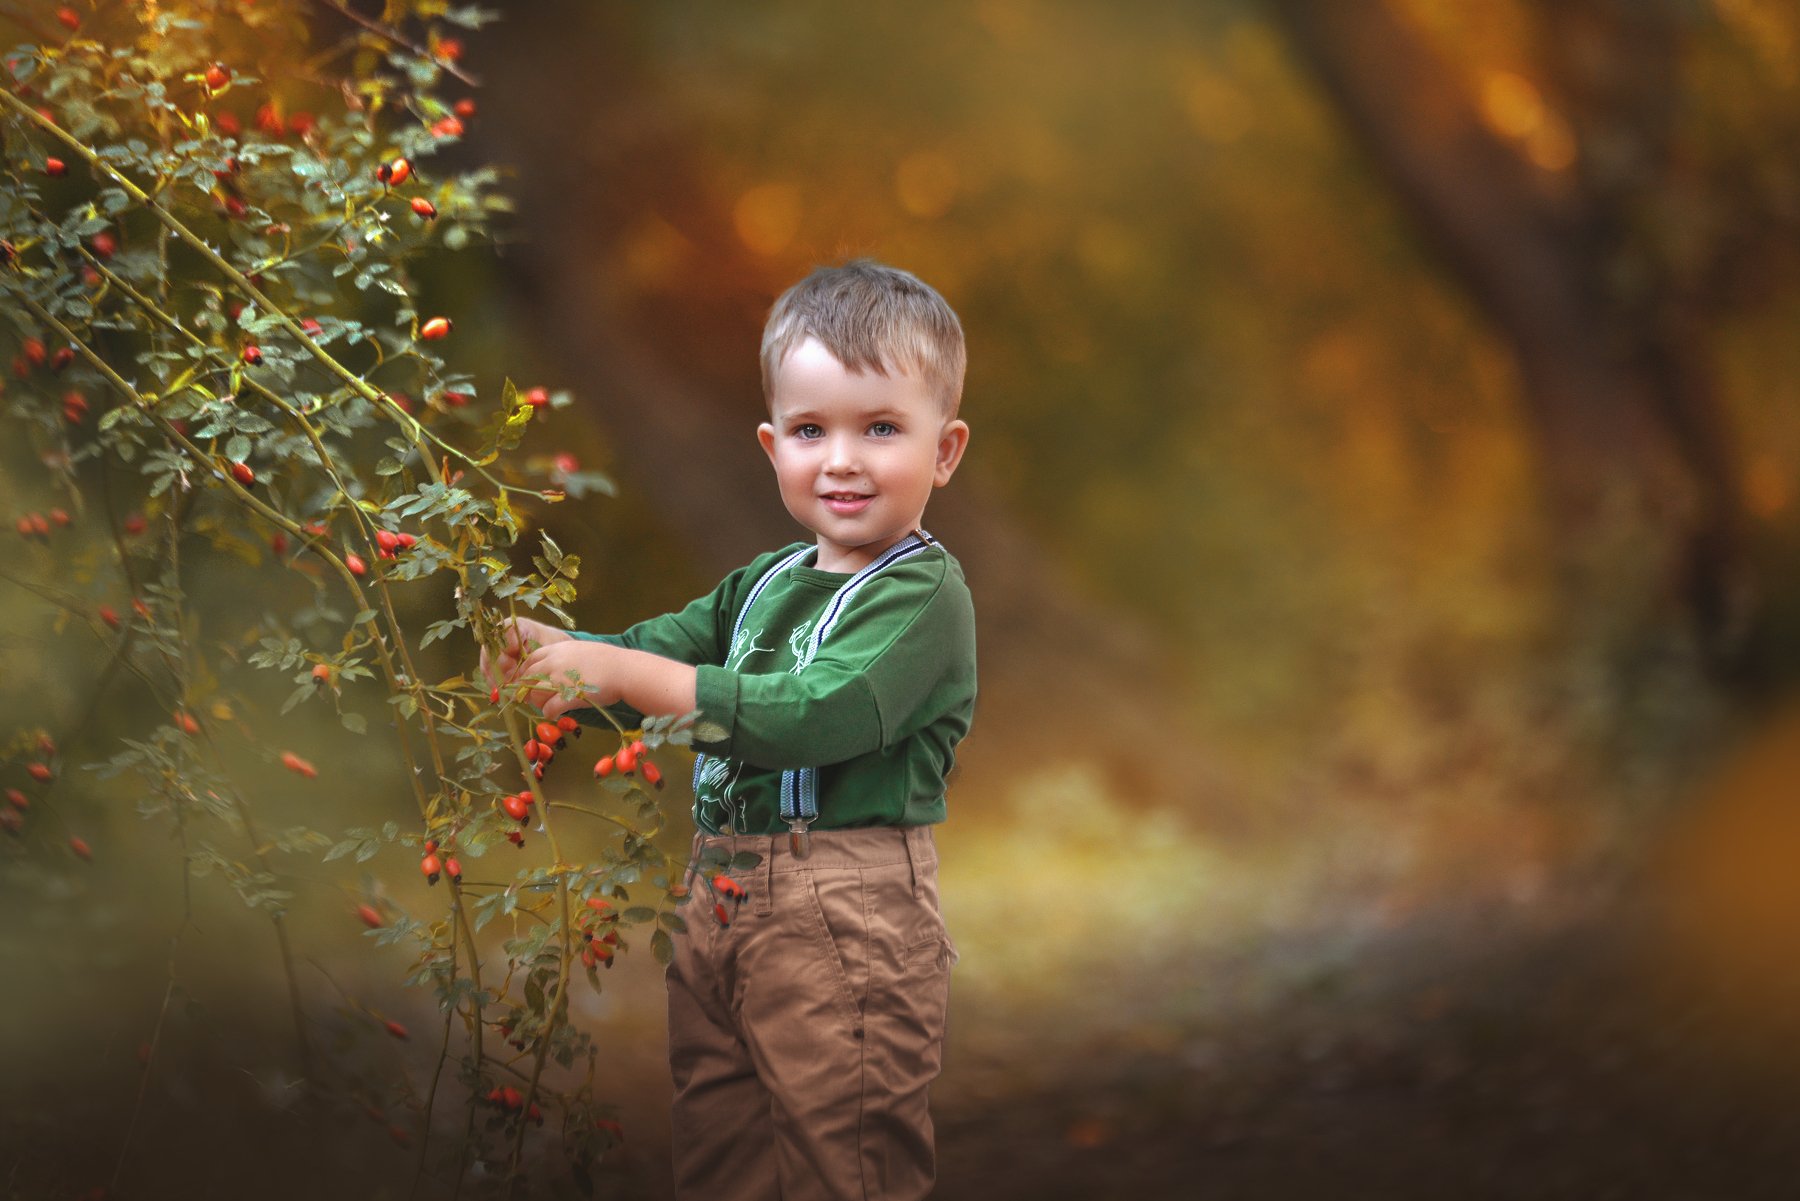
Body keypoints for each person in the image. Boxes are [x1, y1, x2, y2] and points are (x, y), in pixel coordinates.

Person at [481, 258, 975, 1201]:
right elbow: (647, 657)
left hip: (849, 909)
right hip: (720, 894)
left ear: (944, 449)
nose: (841, 458)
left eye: (880, 427)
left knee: (848, 1162)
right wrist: (561, 660)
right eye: (809, 429)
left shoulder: (924, 596)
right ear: (771, 445)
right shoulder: (763, 583)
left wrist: (627, 672)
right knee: (722, 1153)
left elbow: (813, 716)